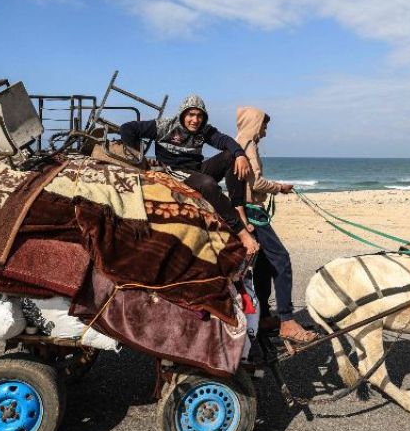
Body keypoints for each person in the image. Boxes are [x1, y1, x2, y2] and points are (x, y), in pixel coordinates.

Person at [120, 95, 260, 257]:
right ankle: (242, 233)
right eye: (191, 115)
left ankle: (238, 208)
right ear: (183, 114)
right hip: (174, 172)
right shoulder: (165, 126)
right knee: (208, 184)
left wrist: (240, 154)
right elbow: (127, 129)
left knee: (231, 157)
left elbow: (224, 140)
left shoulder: (204, 130)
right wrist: (138, 161)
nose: (195, 120)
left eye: (199, 115)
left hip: (196, 169)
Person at [236, 107, 317, 343]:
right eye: (263, 125)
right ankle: (287, 320)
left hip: (250, 209)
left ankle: (262, 317)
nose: (265, 131)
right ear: (254, 123)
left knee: (262, 265)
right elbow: (257, 183)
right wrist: (279, 188)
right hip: (252, 212)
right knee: (282, 260)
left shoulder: (240, 142)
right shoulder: (247, 145)